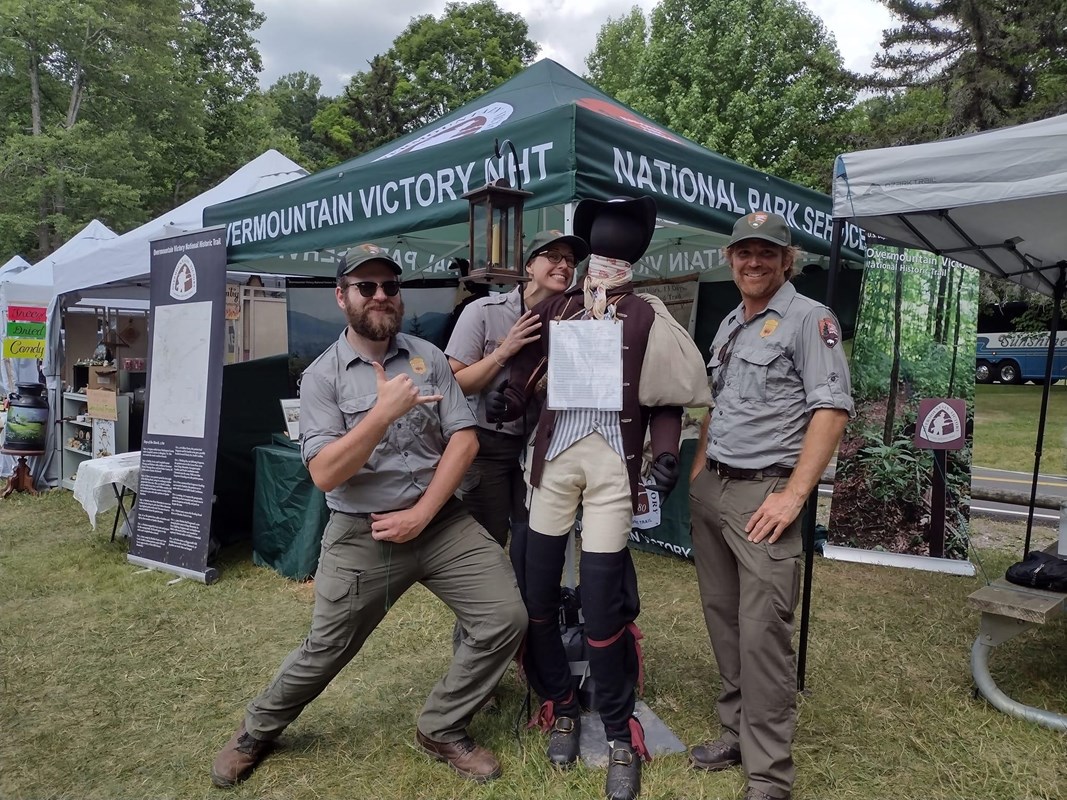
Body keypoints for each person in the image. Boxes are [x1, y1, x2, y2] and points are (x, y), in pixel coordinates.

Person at [210, 243, 527, 788]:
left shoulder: (427, 357)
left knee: (505, 617)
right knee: (327, 646)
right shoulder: (322, 378)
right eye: (366, 287)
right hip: (364, 533)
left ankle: (442, 726)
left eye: (390, 286)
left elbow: (465, 440)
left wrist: (424, 513)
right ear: (342, 297)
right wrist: (379, 416)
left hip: (441, 521)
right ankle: (257, 730)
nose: (381, 296)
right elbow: (326, 473)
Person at [487, 197, 687, 800]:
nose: (609, 248)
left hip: (613, 468)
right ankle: (560, 701)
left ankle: (621, 728)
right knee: (539, 592)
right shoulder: (558, 307)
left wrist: (666, 448)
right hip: (552, 464)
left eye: (619, 240)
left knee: (601, 600)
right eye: (603, 240)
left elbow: (667, 394)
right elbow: (524, 370)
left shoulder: (650, 315)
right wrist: (511, 399)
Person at [687, 212, 854, 800]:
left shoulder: (811, 319)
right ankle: (736, 731)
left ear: (788, 260)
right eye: (743, 252)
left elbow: (830, 412)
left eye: (767, 252)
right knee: (725, 619)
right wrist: (701, 468)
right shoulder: (731, 322)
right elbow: (716, 403)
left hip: (767, 493)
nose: (753, 262)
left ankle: (769, 774)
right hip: (716, 491)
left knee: (763, 632)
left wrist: (794, 496)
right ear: (731, 260)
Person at [444, 230, 590, 567]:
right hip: (487, 448)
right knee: (486, 549)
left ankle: (531, 619)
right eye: (553, 256)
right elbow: (453, 383)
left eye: (570, 260)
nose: (564, 266)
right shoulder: (483, 311)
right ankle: (479, 621)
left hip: (543, 449)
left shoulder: (576, 322)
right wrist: (504, 352)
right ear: (528, 265)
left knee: (534, 545)